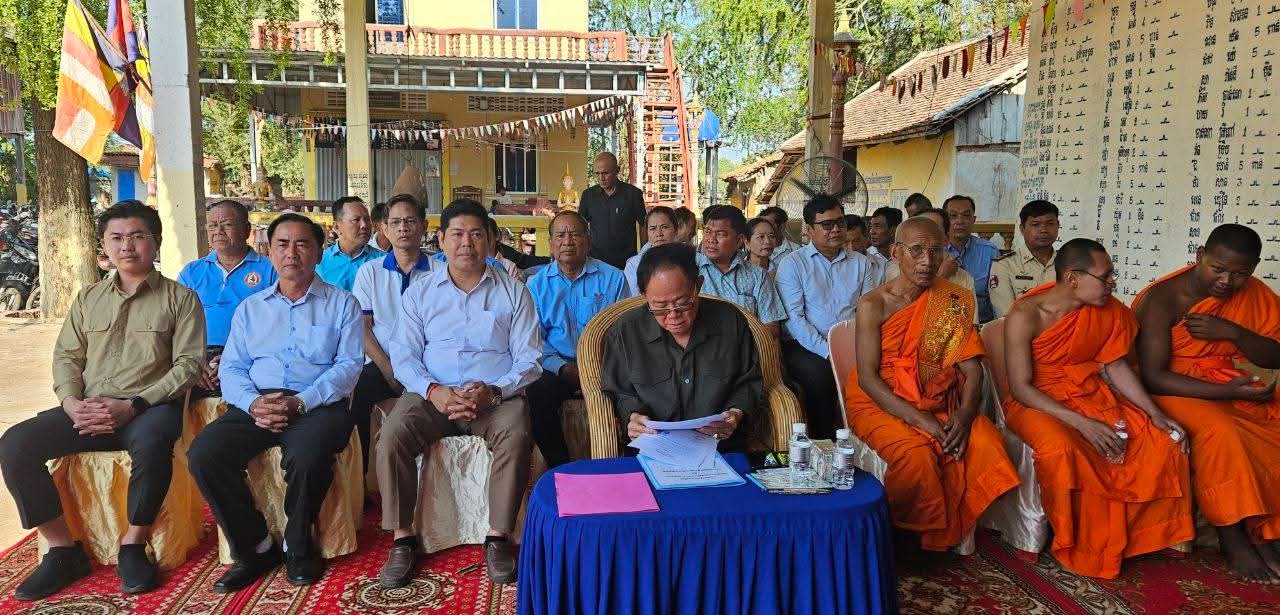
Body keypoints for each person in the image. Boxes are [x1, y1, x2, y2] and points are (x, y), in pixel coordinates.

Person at [0, 201, 205, 600]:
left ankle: (133, 545)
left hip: (147, 408)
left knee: (154, 442)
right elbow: (67, 357)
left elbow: (188, 366)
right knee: (15, 444)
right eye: (117, 238)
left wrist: (134, 405)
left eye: (138, 236)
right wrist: (71, 404)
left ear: (156, 242)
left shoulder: (181, 299)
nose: (127, 246)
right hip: (89, 408)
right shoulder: (88, 298)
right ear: (104, 246)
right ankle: (62, 550)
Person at [188, 213, 363, 592]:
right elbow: (233, 367)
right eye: (282, 244)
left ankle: (298, 544)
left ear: (319, 253)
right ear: (269, 252)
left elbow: (349, 366)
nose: (291, 253)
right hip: (258, 402)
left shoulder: (342, 304)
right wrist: (253, 404)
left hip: (316, 403)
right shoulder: (251, 308)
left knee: (308, 453)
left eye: (302, 244)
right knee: (204, 454)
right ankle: (255, 547)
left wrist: (301, 403)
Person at [1003, 238, 1192, 579]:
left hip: (1089, 394)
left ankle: (1148, 535)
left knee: (1160, 438)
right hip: (1037, 403)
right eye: (1105, 277)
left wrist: (1154, 412)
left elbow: (1116, 366)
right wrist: (1082, 424)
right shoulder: (1026, 314)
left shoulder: (1110, 311)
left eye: (1111, 276)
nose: (1112, 283)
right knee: (1066, 449)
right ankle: (1079, 542)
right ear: (1072, 278)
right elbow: (1021, 387)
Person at [379, 199, 541, 586]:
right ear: (441, 240)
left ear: (491, 240)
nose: (466, 243)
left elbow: (531, 358)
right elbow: (403, 356)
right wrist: (433, 390)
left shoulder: (514, 291)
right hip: (432, 396)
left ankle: (497, 537)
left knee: (517, 432)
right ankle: (403, 539)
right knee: (392, 435)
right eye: (457, 234)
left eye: (476, 234)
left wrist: (495, 391)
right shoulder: (420, 292)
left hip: (494, 398)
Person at [844, 217, 1019, 551]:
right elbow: (867, 377)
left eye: (936, 251)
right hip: (880, 401)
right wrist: (920, 419)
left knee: (984, 441)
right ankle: (908, 536)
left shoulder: (952, 300)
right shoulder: (874, 303)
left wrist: (966, 414)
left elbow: (973, 369)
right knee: (917, 454)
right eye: (917, 250)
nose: (927, 261)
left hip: (939, 398)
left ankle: (951, 529)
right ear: (896, 253)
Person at [1133, 224, 1280, 583]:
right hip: (1173, 391)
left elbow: (1275, 355)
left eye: (1240, 274)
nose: (1227, 282)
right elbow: (1153, 376)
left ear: (1253, 268)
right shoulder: (1163, 298)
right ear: (1200, 256)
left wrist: (1234, 333)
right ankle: (1233, 536)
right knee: (1222, 431)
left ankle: (1266, 532)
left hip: (1225, 381)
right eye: (1218, 269)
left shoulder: (1256, 294)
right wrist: (1227, 393)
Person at [602, 242, 762, 449]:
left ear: (698, 285)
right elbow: (619, 392)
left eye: (683, 303)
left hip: (719, 446)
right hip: (652, 447)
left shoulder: (731, 322)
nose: (673, 315)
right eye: (660, 307)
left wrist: (735, 413)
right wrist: (632, 416)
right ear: (644, 297)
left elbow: (748, 382)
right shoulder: (626, 331)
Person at [526, 211, 627, 468]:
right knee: (536, 390)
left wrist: (595, 372)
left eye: (575, 234)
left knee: (637, 387)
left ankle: (623, 467)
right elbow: (534, 339)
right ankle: (561, 468)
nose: (567, 241)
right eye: (560, 235)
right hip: (558, 370)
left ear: (588, 241)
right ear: (550, 243)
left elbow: (623, 332)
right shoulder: (536, 286)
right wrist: (564, 368)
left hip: (606, 368)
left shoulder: (613, 278)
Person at [776, 195, 881, 439]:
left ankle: (869, 440)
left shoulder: (862, 263)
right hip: (806, 346)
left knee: (880, 368)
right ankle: (825, 442)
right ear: (809, 229)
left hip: (853, 341)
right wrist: (829, 352)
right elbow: (795, 320)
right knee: (821, 376)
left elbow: (868, 312)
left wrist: (859, 348)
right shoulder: (793, 264)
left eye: (840, 222)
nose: (835, 229)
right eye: (826, 224)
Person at [350, 194, 436, 476]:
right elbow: (362, 328)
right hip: (382, 363)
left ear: (424, 226)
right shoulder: (370, 272)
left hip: (430, 365)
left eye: (410, 221)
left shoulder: (440, 271)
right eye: (395, 222)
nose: (403, 228)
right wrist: (390, 370)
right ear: (384, 229)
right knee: (358, 391)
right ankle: (363, 478)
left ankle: (433, 477)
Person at [178, 199, 277, 398]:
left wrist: (233, 359)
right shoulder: (192, 272)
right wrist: (194, 361)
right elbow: (175, 323)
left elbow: (277, 325)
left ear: (247, 229)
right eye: (212, 225)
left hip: (250, 356)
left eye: (227, 224)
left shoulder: (270, 270)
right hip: (197, 356)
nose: (218, 231)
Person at [697, 205, 787, 337]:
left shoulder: (758, 276)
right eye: (708, 231)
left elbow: (771, 327)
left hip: (744, 348)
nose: (711, 239)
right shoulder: (690, 267)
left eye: (720, 234)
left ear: (739, 240)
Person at [990, 200, 1059, 318]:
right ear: (1022, 229)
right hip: (1019, 328)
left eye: (1050, 224)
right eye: (1035, 224)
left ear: (1058, 226)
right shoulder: (1004, 265)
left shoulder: (1068, 262)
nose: (1044, 230)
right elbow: (1006, 315)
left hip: (1064, 328)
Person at [579, 151, 647, 269]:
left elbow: (643, 224)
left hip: (626, 263)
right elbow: (580, 226)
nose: (601, 178)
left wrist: (643, 254)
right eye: (597, 174)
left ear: (617, 170)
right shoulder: (588, 196)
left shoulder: (633, 194)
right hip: (595, 261)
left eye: (605, 173)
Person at [883, 209, 972, 294]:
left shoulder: (964, 278)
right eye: (920, 227)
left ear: (946, 239)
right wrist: (941, 277)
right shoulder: (896, 269)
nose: (927, 261)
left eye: (933, 228)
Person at [943, 195, 999, 323]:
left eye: (966, 216)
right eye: (953, 216)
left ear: (974, 220)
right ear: (944, 221)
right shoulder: (935, 252)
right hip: (942, 325)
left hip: (982, 326)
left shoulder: (989, 252)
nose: (960, 221)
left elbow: (997, 297)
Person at [317, 196, 385, 291]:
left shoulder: (384, 261)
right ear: (336, 227)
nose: (364, 225)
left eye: (367, 219)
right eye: (356, 220)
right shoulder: (319, 262)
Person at [624, 206, 678, 296]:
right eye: (653, 229)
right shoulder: (634, 265)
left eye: (664, 227)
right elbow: (633, 300)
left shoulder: (690, 259)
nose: (659, 234)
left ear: (676, 230)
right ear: (647, 233)